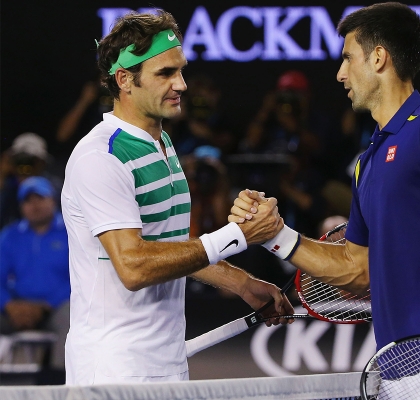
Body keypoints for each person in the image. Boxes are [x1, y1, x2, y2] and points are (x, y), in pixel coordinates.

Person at [231, 4, 420, 398]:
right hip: (393, 368)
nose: (340, 74)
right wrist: (276, 235)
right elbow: (358, 270)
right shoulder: (367, 163)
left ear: (378, 57)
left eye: (347, 58)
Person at [61, 10, 293, 385]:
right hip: (113, 371)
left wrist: (240, 283)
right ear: (125, 79)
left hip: (166, 363)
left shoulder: (162, 143)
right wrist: (238, 235)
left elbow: (169, 247)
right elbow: (135, 267)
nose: (181, 85)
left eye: (180, 70)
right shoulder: (100, 157)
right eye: (165, 73)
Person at [0, 176, 70, 372]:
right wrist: (8, 305)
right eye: (28, 200)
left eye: (40, 198)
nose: (34, 205)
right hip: (16, 310)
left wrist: (47, 305)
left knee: (72, 317)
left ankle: (60, 381)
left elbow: (80, 278)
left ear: (52, 200)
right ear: (21, 206)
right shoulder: (10, 235)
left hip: (55, 308)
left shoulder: (70, 232)